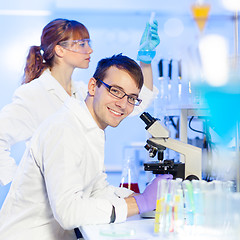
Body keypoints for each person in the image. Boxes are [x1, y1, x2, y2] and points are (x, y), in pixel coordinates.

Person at [0, 54, 172, 240]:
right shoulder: (65, 129)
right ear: (92, 86)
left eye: (131, 98)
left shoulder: (91, 128)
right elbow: (69, 213)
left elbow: (97, 189)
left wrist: (139, 196)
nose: (123, 104)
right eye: (115, 91)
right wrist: (141, 203)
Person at [0, 18, 160, 186]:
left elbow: (133, 104)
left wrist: (146, 62)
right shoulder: (33, 94)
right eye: (82, 44)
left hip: (80, 194)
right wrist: (19, 184)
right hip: (48, 200)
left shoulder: (83, 91)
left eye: (88, 43)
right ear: (60, 50)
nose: (90, 50)